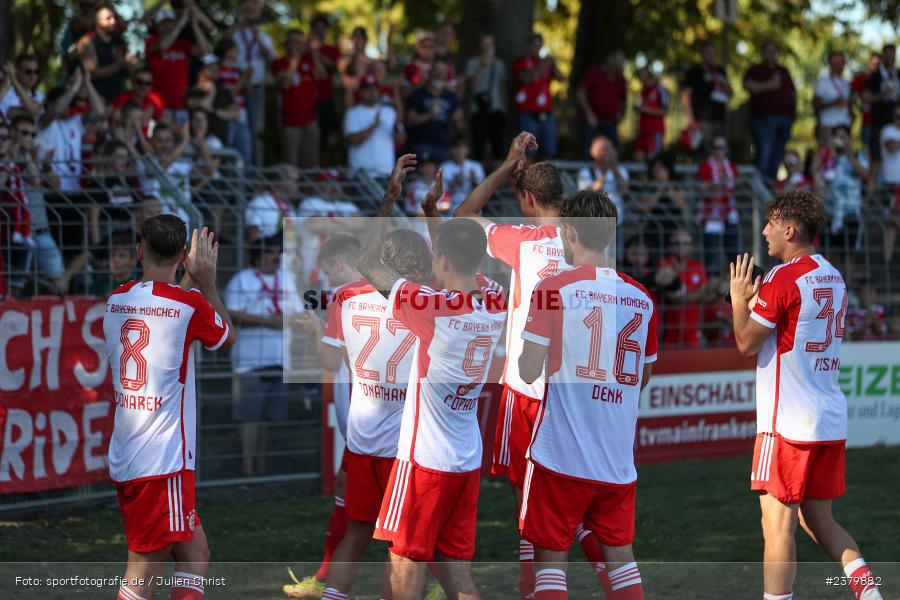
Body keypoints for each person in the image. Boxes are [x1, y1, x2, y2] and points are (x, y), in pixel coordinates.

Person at [456, 133, 615, 599]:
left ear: (526, 197)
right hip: (576, 387)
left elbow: (464, 214)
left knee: (532, 503)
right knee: (573, 500)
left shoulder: (522, 241)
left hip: (527, 387)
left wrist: (507, 163)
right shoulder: (587, 237)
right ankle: (613, 581)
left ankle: (535, 590)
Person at [361, 156, 507, 600]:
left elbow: (368, 262)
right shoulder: (494, 297)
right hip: (465, 456)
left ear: (440, 259)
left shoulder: (431, 309)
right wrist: (431, 216)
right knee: (456, 574)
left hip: (426, 458)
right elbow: (460, 260)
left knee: (406, 560)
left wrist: (390, 197)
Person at [729, 191, 884, 600]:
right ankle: (870, 593)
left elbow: (745, 342)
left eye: (771, 223)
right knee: (819, 520)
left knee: (776, 526)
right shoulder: (833, 274)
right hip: (828, 416)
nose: (764, 231)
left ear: (790, 229)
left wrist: (737, 300)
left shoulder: (785, 276)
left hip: (788, 422)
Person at [518, 189, 658, 600]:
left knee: (551, 563)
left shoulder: (553, 287)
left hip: (561, 452)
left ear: (569, 232)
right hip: (615, 458)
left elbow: (527, 368)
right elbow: (642, 377)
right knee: (621, 562)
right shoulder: (642, 297)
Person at [103, 220, 235, 600]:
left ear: (140, 251)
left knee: (196, 555)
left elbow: (164, 306)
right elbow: (226, 336)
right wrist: (206, 282)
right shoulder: (188, 303)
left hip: (129, 451)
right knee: (142, 573)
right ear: (182, 257)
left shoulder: (116, 299)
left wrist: (187, 280)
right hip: (163, 460)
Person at [308, 227, 433, 600]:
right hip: (406, 445)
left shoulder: (345, 297)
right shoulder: (425, 300)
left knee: (357, 530)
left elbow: (332, 360)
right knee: (403, 545)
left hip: (362, 438)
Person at [225, 235, 295, 477]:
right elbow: (230, 314)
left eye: (279, 252)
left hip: (280, 360)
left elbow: (298, 311)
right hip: (249, 362)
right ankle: (247, 469)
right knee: (249, 419)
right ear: (257, 257)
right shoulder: (241, 280)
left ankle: (262, 469)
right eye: (271, 252)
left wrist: (289, 320)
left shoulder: (287, 279)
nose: (277, 257)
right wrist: (267, 321)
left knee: (268, 418)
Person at [9, 115, 65, 294]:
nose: (29, 138)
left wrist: (40, 163)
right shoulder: (6, 156)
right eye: (24, 133)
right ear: (12, 133)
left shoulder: (34, 156)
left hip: (41, 231)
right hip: (17, 234)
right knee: (15, 286)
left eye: (32, 134)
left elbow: (52, 186)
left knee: (58, 283)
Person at [35, 66, 105, 195]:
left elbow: (100, 113)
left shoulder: (75, 122)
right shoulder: (42, 120)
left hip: (74, 192)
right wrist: (74, 87)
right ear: (49, 104)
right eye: (65, 101)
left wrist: (87, 83)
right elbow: (56, 110)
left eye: (70, 102)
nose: (68, 106)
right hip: (51, 192)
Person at [145, 5, 210, 124]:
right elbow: (163, 46)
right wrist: (180, 24)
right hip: (158, 106)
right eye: (163, 24)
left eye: (170, 23)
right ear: (157, 26)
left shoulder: (182, 44)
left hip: (180, 106)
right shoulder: (152, 41)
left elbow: (205, 52)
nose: (167, 27)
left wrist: (194, 24)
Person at [230, 0, 275, 163]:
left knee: (254, 130)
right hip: (236, 86)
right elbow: (223, 48)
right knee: (236, 130)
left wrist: (258, 39)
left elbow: (270, 56)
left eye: (253, 11)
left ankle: (253, 175)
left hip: (254, 88)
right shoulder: (235, 34)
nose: (250, 14)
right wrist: (237, 26)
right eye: (247, 11)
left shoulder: (264, 36)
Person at [744, 41, 796, 180]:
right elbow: (749, 86)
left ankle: (770, 186)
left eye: (774, 50)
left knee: (777, 155)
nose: (771, 54)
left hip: (785, 119)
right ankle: (759, 187)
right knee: (764, 153)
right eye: (768, 50)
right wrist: (769, 84)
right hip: (763, 120)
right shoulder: (755, 70)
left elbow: (792, 93)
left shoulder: (783, 71)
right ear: (763, 52)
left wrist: (793, 114)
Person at [273, 29, 323, 168]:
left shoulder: (309, 60)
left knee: (311, 162)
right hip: (290, 121)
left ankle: (309, 190)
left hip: (310, 120)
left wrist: (314, 51)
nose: (295, 45)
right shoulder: (279, 63)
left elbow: (322, 75)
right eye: (292, 42)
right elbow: (284, 84)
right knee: (290, 163)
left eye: (299, 42)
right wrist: (293, 64)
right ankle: (289, 190)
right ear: (286, 44)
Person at [821, 125, 868, 274]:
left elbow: (864, 174)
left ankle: (848, 288)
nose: (840, 140)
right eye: (837, 137)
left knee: (849, 254)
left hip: (851, 213)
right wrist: (827, 150)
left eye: (843, 137)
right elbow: (818, 174)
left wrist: (849, 152)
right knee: (831, 253)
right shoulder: (829, 158)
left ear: (849, 138)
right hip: (831, 213)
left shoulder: (857, 155)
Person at [657, 229, 712, 349]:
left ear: (691, 247)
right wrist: (701, 292)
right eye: (676, 242)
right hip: (667, 334)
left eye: (685, 242)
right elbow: (674, 299)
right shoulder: (663, 264)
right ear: (670, 246)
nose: (681, 246)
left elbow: (707, 297)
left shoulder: (697, 266)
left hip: (693, 333)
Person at [513, 33, 563, 159]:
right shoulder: (521, 61)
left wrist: (554, 64)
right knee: (528, 152)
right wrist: (542, 65)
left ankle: (546, 177)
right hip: (528, 113)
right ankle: (529, 178)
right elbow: (525, 79)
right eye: (534, 45)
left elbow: (561, 78)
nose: (537, 48)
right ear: (529, 46)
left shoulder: (546, 62)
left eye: (539, 45)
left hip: (546, 112)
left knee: (549, 150)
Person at [697, 135, 740, 276]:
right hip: (711, 217)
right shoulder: (705, 167)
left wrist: (719, 185)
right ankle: (711, 286)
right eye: (717, 147)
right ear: (711, 150)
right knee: (712, 257)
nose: (720, 151)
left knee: (734, 254)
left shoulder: (731, 166)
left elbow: (738, 188)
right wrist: (719, 184)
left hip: (729, 216)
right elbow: (703, 190)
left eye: (723, 147)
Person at [77, 3, 137, 103]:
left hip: (116, 99)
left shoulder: (119, 42)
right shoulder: (88, 40)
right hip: (94, 99)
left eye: (114, 18)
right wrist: (119, 65)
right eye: (108, 18)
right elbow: (92, 73)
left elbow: (129, 71)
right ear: (97, 20)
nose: (113, 22)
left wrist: (131, 64)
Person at [404, 62, 463, 164]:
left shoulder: (451, 97)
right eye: (437, 70)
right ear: (430, 73)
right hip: (421, 145)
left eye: (443, 71)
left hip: (443, 147)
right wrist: (430, 114)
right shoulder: (418, 94)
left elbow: (459, 125)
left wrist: (459, 122)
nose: (440, 74)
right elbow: (409, 121)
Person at [464, 34, 508, 164]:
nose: (488, 47)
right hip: (478, 108)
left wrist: (504, 107)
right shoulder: (473, 63)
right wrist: (483, 66)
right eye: (485, 44)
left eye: (490, 44)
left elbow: (503, 86)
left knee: (497, 144)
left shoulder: (500, 64)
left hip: (496, 108)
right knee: (479, 143)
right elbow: (472, 86)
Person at [343, 74, 398, 177]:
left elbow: (401, 140)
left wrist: (397, 125)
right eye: (367, 89)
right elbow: (353, 141)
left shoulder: (389, 112)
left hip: (386, 173)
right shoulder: (352, 113)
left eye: (374, 88)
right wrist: (374, 125)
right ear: (360, 92)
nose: (371, 92)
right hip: (361, 175)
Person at [185, 55, 239, 154]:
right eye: (211, 67)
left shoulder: (224, 92)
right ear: (201, 71)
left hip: (222, 145)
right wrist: (212, 91)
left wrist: (214, 111)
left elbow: (234, 113)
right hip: (198, 146)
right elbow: (202, 105)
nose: (216, 70)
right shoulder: (192, 92)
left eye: (217, 66)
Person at [681, 40, 731, 147]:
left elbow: (730, 93)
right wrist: (690, 118)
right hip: (702, 120)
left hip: (720, 118)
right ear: (702, 54)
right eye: (708, 53)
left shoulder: (720, 71)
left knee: (720, 149)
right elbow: (685, 95)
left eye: (713, 53)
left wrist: (725, 86)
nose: (711, 56)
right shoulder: (694, 71)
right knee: (704, 150)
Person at [577, 51, 627, 151]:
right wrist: (588, 113)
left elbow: (623, 100)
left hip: (611, 123)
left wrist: (621, 114)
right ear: (612, 64)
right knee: (590, 150)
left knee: (612, 151)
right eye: (618, 66)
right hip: (593, 122)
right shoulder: (595, 73)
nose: (620, 69)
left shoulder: (621, 79)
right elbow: (581, 92)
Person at [576, 135, 630, 218]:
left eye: (607, 149)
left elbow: (625, 191)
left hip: (616, 224)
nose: (604, 153)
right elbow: (583, 195)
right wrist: (603, 176)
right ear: (592, 152)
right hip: (594, 223)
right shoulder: (585, 173)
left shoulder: (621, 171)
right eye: (601, 149)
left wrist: (613, 168)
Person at [309, 14, 342, 154]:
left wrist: (317, 52)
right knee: (310, 138)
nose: (319, 31)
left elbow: (336, 67)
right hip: (307, 100)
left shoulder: (332, 50)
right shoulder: (304, 49)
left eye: (323, 28)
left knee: (327, 137)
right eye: (316, 28)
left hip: (325, 98)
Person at [864, 44, 899, 165]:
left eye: (892, 54)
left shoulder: (898, 74)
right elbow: (865, 98)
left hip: (896, 121)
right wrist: (882, 95)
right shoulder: (875, 76)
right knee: (877, 154)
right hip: (878, 121)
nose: (890, 57)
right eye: (887, 54)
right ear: (883, 55)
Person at [813, 50, 852, 149]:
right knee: (827, 159)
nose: (840, 64)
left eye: (842, 61)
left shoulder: (846, 83)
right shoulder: (823, 82)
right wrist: (833, 103)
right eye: (837, 61)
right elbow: (815, 104)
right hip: (828, 126)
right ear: (830, 63)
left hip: (844, 126)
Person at [110, 69, 166, 134]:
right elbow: (115, 122)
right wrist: (142, 118)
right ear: (132, 82)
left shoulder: (152, 101)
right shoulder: (122, 99)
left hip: (144, 139)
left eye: (148, 83)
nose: (143, 86)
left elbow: (165, 121)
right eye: (139, 82)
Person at [633, 66, 670, 163]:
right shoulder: (643, 91)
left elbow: (665, 110)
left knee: (653, 159)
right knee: (638, 156)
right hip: (643, 130)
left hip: (655, 131)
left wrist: (646, 110)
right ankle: (641, 178)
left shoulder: (660, 90)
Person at [440, 136, 485, 214]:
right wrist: (455, 183)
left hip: (473, 207)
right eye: (456, 147)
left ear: (467, 150)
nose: (459, 150)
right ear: (450, 150)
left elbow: (483, 192)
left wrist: (473, 181)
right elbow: (440, 194)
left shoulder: (476, 166)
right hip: (451, 208)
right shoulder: (444, 167)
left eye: (462, 147)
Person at [879, 107, 900, 262]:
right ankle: (887, 260)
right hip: (892, 183)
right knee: (891, 222)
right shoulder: (888, 130)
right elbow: (891, 147)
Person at [0, 54, 44, 120]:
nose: (33, 76)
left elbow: (35, 113)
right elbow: (9, 113)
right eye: (28, 72)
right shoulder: (6, 93)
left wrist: (13, 79)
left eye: (36, 72)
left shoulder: (40, 96)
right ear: (17, 71)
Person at [852, 52, 880, 149]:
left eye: (878, 64)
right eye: (873, 63)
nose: (875, 66)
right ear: (869, 63)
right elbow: (850, 92)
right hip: (867, 121)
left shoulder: (884, 77)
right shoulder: (863, 77)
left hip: (882, 121)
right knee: (866, 149)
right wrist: (857, 106)